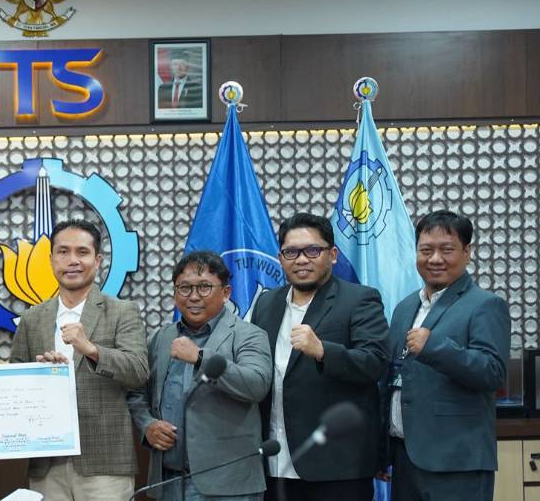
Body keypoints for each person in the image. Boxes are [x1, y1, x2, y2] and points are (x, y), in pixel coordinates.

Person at [250, 213, 388, 501]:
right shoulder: (266, 303)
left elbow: (374, 363)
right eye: (291, 252)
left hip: (336, 467)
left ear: (332, 255)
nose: (301, 259)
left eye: (313, 250)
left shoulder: (359, 299)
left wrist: (324, 351)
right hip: (275, 462)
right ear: (280, 258)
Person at [10, 219, 149, 501]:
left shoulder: (122, 311)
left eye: (82, 252)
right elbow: (15, 383)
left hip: (104, 463)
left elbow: (138, 371)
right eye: (63, 252)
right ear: (51, 259)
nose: (72, 260)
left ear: (97, 260)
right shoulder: (32, 318)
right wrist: (39, 374)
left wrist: (92, 350)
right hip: (47, 464)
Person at [380, 211, 510, 501]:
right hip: (404, 457)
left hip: (456, 461)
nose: (435, 259)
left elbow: (492, 373)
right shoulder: (404, 307)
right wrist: (382, 450)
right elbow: (391, 377)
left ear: (467, 252)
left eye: (447, 249)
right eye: (426, 250)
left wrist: (434, 347)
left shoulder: (486, 305)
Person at [128, 251, 272, 501]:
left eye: (204, 287)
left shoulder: (249, 335)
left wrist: (201, 358)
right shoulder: (162, 337)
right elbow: (135, 391)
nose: (194, 296)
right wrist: (147, 425)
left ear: (226, 293)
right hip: (169, 482)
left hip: (228, 486)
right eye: (185, 288)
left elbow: (256, 385)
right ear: (175, 293)